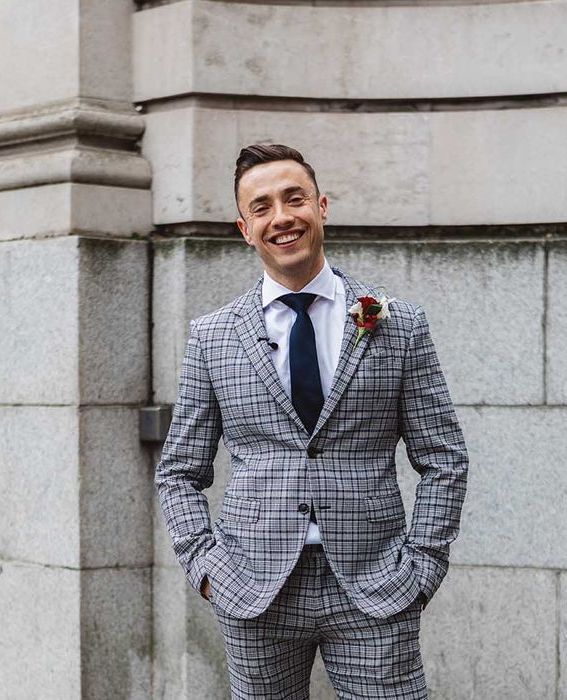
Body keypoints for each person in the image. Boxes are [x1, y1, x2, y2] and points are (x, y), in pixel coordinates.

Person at [155, 144, 468, 699]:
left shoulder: (399, 324)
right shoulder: (213, 337)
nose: (282, 217)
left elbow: (443, 458)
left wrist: (423, 565)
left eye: (294, 198)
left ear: (321, 206)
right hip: (253, 588)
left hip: (377, 585)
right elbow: (179, 470)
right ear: (245, 229)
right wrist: (207, 566)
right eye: (262, 207)